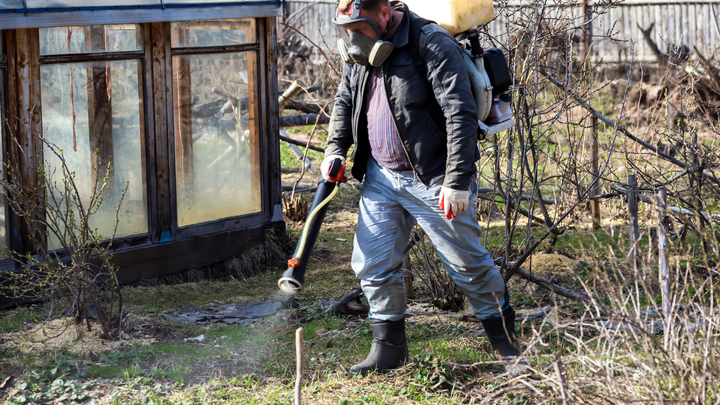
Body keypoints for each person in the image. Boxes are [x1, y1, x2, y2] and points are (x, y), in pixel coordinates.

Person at [323, 0, 525, 376]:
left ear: (384, 14)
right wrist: (336, 148)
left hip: (432, 177)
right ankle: (389, 350)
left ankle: (508, 348)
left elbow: (459, 111)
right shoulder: (362, 51)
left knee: (468, 266)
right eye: (345, 30)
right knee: (373, 264)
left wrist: (457, 181)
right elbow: (345, 98)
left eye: (359, 30)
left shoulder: (429, 42)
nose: (352, 39)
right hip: (381, 178)